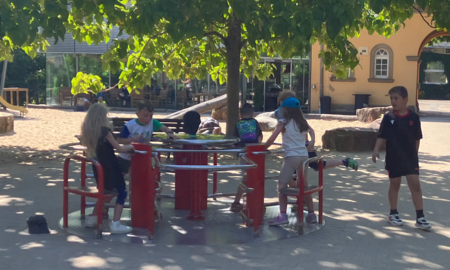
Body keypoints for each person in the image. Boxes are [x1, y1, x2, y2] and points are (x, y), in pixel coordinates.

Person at [372, 86, 431, 230]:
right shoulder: (388, 117)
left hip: (410, 158)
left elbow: (417, 138)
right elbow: (382, 136)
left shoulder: (414, 117)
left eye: (396, 98)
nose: (393, 101)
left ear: (405, 100)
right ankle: (393, 213)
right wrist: (376, 150)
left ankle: (420, 217)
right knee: (395, 185)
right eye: (391, 98)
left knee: (415, 186)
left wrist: (414, 154)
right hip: (393, 158)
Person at [80, 103, 134, 234]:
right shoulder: (105, 131)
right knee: (121, 191)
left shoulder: (88, 131)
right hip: (111, 166)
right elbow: (119, 148)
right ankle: (116, 223)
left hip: (98, 166)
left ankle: (93, 218)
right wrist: (131, 148)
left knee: (105, 192)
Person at [265, 97, 316, 225]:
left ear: (285, 110)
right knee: (303, 186)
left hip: (291, 157)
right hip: (304, 157)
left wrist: (263, 148)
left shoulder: (283, 122)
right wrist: (312, 141)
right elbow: (312, 130)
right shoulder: (302, 122)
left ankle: (282, 215)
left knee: (281, 185)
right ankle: (311, 214)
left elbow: (272, 138)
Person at [117, 101, 178, 175]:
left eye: (151, 116)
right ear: (137, 113)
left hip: (142, 156)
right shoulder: (129, 125)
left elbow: (165, 128)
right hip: (126, 157)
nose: (148, 119)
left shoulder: (152, 122)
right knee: (122, 177)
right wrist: (133, 139)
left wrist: (169, 133)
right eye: (145, 115)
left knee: (140, 178)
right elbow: (120, 140)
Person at [230, 103, 263, 212]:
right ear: (252, 113)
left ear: (241, 114)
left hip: (243, 153)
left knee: (245, 177)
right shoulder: (255, 122)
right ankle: (256, 202)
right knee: (255, 177)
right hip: (254, 152)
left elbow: (235, 140)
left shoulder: (238, 124)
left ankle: (237, 201)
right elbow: (260, 137)